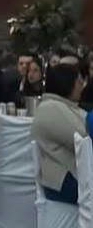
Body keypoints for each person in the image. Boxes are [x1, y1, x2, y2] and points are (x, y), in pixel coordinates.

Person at [31, 63, 87, 205]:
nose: (82, 86)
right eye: (79, 82)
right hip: (65, 180)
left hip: (73, 177)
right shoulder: (50, 108)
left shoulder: (63, 106)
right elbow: (83, 139)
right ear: (68, 83)